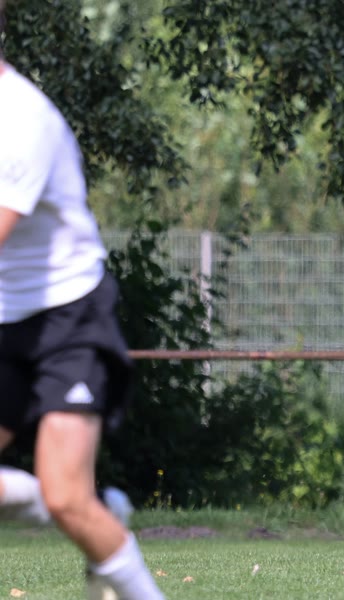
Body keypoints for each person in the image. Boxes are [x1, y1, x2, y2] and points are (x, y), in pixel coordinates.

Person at [0, 7, 165, 598]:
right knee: (66, 499)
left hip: (67, 320)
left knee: (69, 495)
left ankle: (81, 511)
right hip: (5, 322)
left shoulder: (21, 121)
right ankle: (86, 508)